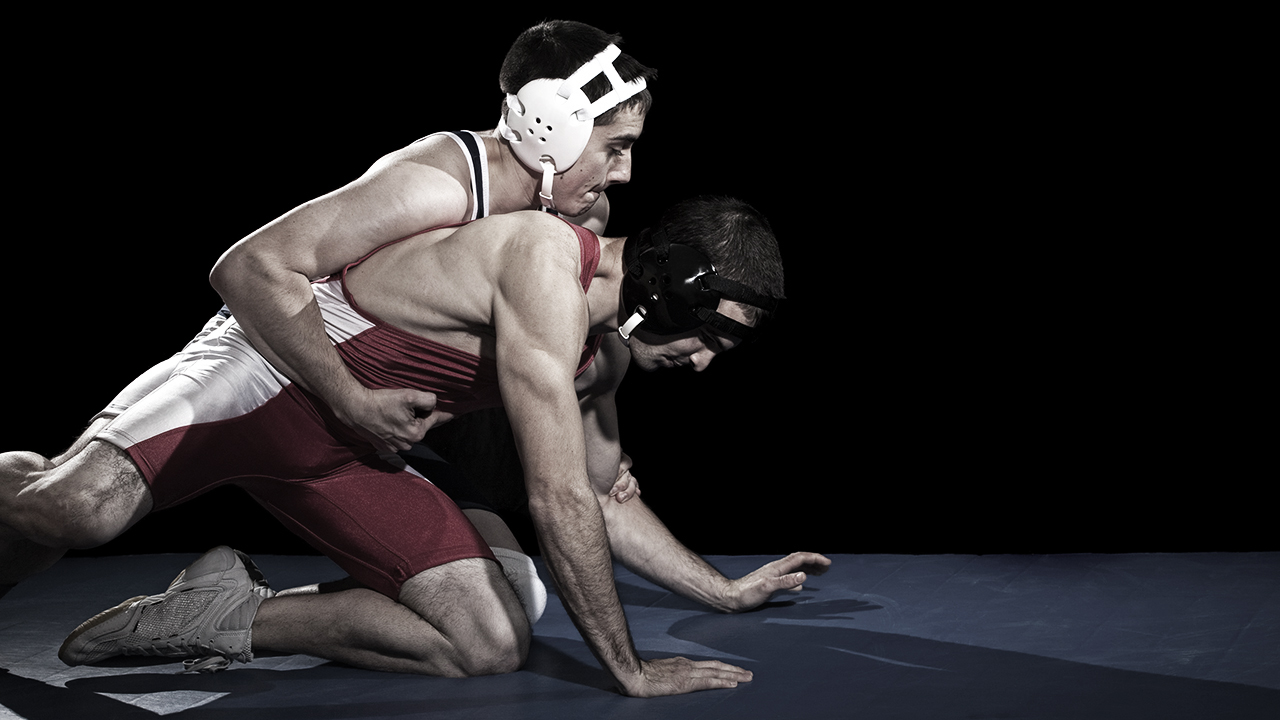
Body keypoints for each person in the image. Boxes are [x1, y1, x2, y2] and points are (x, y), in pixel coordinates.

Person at [0, 196, 830, 697]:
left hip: (355, 453)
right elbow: (557, 501)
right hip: (266, 375)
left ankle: (212, 615)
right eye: (712, 334)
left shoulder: (601, 357)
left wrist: (719, 594)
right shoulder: (546, 257)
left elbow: (601, 499)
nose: (706, 361)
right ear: (674, 284)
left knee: (490, 641)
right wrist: (629, 668)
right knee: (74, 510)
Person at [44, 19, 657, 563]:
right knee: (76, 510)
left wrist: (604, 457)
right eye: (616, 150)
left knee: (501, 614)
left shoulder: (581, 215)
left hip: (364, 413)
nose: (625, 173)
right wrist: (351, 399)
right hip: (272, 359)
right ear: (553, 128)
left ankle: (223, 607)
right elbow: (250, 268)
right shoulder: (437, 186)